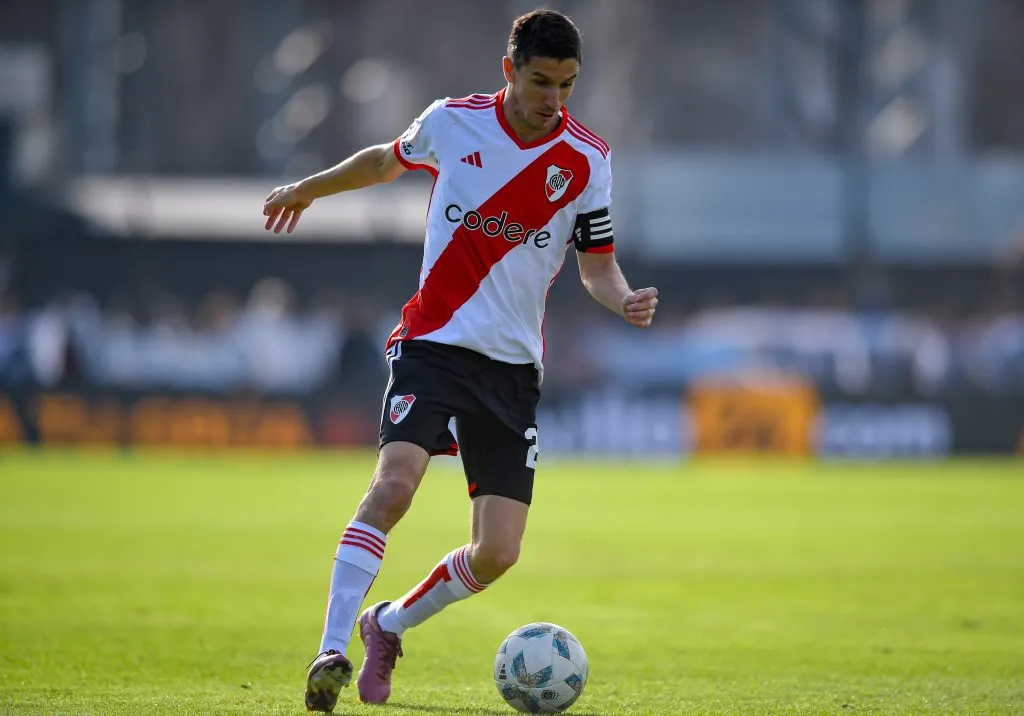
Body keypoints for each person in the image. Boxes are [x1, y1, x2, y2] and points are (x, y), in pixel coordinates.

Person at [262, 8, 659, 712]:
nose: (554, 99)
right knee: (395, 485)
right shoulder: (453, 122)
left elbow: (598, 266)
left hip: (511, 370)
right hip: (433, 346)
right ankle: (330, 649)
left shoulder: (587, 160)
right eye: (541, 81)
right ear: (510, 70)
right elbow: (383, 162)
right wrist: (306, 188)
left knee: (498, 553)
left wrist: (623, 299)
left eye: (567, 85)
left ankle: (388, 624)